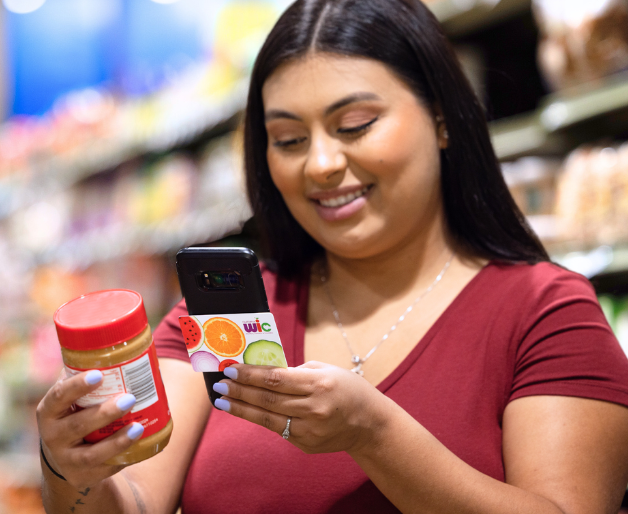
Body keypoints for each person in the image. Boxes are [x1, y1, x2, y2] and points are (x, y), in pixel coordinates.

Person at [37, 0, 628, 512]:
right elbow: (133, 503)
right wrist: (71, 469)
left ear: (443, 120)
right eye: (289, 139)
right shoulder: (220, 318)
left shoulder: (545, 310)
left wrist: (375, 435)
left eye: (355, 124)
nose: (320, 164)